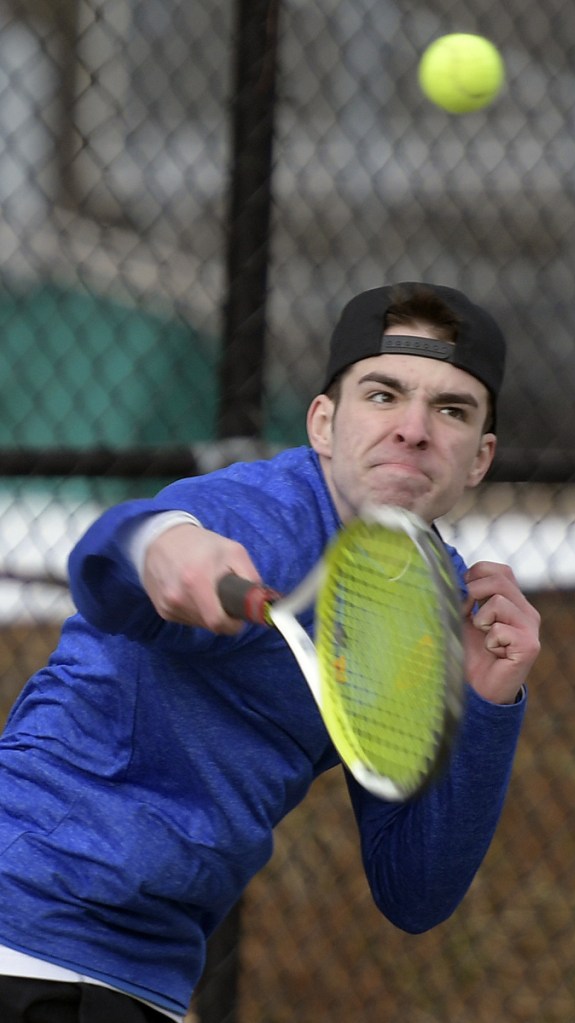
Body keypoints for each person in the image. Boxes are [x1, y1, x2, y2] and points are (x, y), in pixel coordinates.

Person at [0, 282, 541, 1022]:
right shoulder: (254, 515)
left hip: (141, 975)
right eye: (383, 395)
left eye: (450, 410)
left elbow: (414, 889)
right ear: (322, 422)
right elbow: (107, 560)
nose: (413, 428)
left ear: (479, 457)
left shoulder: (430, 608)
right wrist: (162, 542)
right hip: (23, 930)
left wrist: (485, 701)